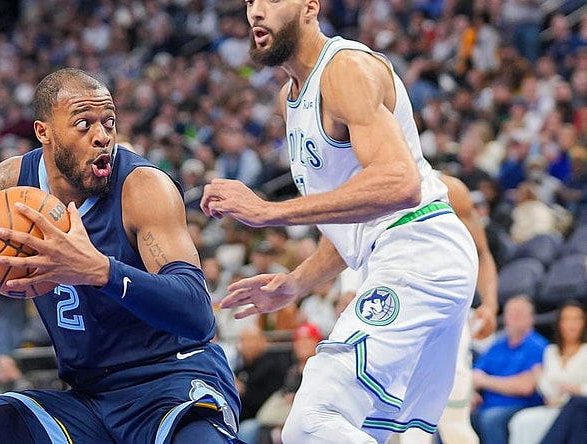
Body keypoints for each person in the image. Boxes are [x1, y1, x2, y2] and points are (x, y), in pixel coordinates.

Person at [200, 2, 478, 443]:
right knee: (372, 432)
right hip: (399, 252)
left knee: (311, 422)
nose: (256, 11)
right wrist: (294, 283)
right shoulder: (291, 98)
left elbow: (400, 184)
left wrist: (269, 211)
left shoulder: (345, 69)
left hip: (418, 249)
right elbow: (354, 219)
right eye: (250, 1)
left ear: (311, 6)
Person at [0, 68, 242, 444]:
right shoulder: (10, 187)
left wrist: (100, 271)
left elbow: (198, 316)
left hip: (172, 382)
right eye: (84, 124)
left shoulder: (143, 187)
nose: (102, 137)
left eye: (109, 122)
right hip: (89, 398)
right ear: (44, 132)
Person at [399, 173, 499, 444]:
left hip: (447, 312)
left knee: (454, 422)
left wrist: (489, 304)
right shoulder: (365, 183)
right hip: (397, 313)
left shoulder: (448, 190)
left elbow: (481, 252)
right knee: (403, 425)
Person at [471, 295, 548, 444]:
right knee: (453, 417)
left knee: (492, 419)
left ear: (531, 318)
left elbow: (525, 386)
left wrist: (486, 381)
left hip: (521, 406)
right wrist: (471, 392)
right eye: (510, 313)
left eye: (519, 314)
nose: (514, 318)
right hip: (487, 405)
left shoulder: (539, 347)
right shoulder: (497, 345)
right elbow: (474, 374)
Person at [508, 301, 587, 444]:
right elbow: (548, 389)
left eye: (576, 319)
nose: (571, 324)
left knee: (574, 407)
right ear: (559, 323)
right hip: (554, 406)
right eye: (566, 319)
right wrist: (539, 378)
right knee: (521, 421)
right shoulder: (551, 351)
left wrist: (576, 389)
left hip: (580, 407)